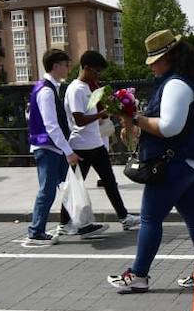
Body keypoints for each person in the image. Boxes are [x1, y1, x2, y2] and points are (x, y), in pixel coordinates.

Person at [108, 30, 194, 294]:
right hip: (189, 162)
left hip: (174, 164)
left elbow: (169, 127)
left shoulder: (175, 85)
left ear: (168, 58)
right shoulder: (182, 82)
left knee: (150, 218)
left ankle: (139, 274)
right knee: (193, 217)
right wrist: (136, 122)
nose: (152, 66)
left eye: (155, 60)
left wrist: (135, 119)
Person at [57, 50, 139, 234]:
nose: (97, 75)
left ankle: (124, 218)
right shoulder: (76, 89)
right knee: (74, 185)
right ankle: (63, 224)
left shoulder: (87, 87)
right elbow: (78, 120)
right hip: (81, 146)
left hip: (95, 143)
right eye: (96, 71)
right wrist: (101, 115)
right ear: (85, 68)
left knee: (110, 182)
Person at [26, 50, 100, 244]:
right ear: (56, 65)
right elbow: (51, 125)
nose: (69, 68)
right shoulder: (46, 91)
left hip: (53, 147)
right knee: (48, 189)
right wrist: (68, 151)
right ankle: (36, 231)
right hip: (48, 147)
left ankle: (76, 223)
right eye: (66, 65)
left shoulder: (48, 88)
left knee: (68, 186)